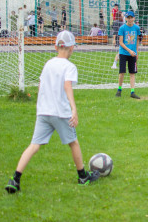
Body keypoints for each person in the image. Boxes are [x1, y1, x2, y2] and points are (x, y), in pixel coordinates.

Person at [5, 30, 100, 194]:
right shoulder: (70, 67)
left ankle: (15, 179)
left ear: (56, 47)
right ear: (72, 48)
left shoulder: (48, 63)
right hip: (60, 113)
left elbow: (41, 86)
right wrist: (74, 108)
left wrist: (41, 105)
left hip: (43, 112)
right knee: (73, 142)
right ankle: (83, 176)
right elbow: (67, 85)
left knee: (34, 145)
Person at [115, 11, 141, 99]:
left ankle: (132, 92)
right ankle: (119, 89)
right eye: (128, 17)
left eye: (131, 17)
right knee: (122, 72)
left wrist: (136, 52)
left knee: (132, 73)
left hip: (132, 54)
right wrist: (129, 50)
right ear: (126, 18)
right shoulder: (122, 28)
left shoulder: (137, 28)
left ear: (134, 18)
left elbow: (137, 41)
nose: (130, 19)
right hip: (123, 53)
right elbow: (121, 43)